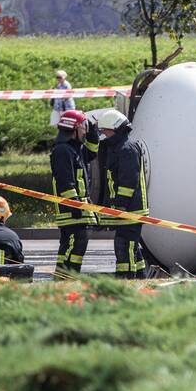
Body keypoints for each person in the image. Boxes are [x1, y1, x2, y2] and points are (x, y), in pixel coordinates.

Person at [96, 109, 149, 279]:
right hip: (127, 209)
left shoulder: (127, 148)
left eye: (105, 130)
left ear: (115, 128)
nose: (103, 134)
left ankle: (127, 280)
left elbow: (128, 181)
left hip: (130, 209)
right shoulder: (118, 147)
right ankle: (140, 277)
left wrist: (120, 204)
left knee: (124, 245)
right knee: (130, 246)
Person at [50, 109, 100, 274]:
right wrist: (75, 206)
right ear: (74, 129)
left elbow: (92, 153)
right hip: (70, 210)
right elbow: (66, 182)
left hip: (77, 207)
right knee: (75, 243)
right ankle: (67, 275)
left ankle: (65, 275)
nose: (85, 130)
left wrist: (93, 133)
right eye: (83, 127)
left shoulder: (75, 148)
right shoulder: (62, 151)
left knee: (75, 243)